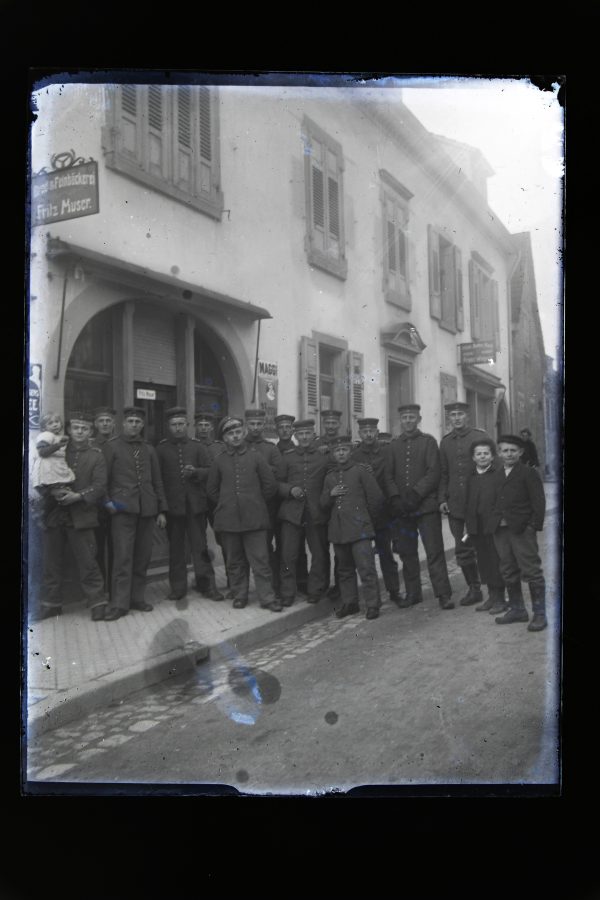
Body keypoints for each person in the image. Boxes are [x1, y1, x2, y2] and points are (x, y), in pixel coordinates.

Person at [34, 411, 109, 622]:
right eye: (76, 428)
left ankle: (97, 602)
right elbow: (42, 472)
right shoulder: (57, 450)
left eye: (84, 428)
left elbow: (100, 486)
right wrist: (52, 492)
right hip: (55, 514)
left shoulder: (96, 455)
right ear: (69, 430)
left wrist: (78, 496)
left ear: (90, 431)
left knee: (88, 562)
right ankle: (52, 605)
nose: (80, 432)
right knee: (51, 563)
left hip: (82, 515)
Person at [206, 416, 281, 612]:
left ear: (244, 432)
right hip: (229, 520)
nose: (235, 436)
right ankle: (240, 595)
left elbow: (270, 486)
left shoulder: (256, 457)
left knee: (261, 561)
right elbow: (212, 490)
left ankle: (267, 598)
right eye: (230, 434)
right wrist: (227, 503)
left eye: (238, 432)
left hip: (255, 519)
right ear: (225, 438)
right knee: (235, 561)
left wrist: (254, 502)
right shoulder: (219, 460)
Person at [385, 403, 453, 610]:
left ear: (419, 419)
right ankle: (413, 593)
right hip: (403, 510)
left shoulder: (428, 442)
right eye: (404, 417)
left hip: (425, 507)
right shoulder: (393, 446)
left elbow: (434, 472)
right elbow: (387, 476)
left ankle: (443, 594)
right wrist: (396, 498)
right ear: (400, 421)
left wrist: (416, 494)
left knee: (434, 551)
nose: (408, 421)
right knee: (407, 553)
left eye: (412, 417)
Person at [101, 407, 168, 620]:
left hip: (147, 510)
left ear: (142, 425)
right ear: (123, 423)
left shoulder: (149, 449)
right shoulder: (111, 447)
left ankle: (137, 598)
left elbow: (157, 480)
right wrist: (108, 503)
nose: (134, 425)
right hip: (122, 510)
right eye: (130, 421)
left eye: (138, 422)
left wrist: (161, 509)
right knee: (122, 558)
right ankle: (119, 604)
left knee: (142, 557)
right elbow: (104, 479)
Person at [156, 407, 223, 602]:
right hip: (173, 508)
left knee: (200, 548)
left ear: (187, 425)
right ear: (169, 427)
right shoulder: (161, 449)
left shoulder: (198, 447)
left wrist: (196, 472)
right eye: (173, 425)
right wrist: (162, 508)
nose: (177, 428)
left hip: (195, 507)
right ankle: (178, 588)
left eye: (181, 424)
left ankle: (207, 586)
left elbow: (211, 472)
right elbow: (158, 480)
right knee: (176, 550)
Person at [321, 435, 384, 619]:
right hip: (339, 531)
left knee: (366, 568)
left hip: (360, 530)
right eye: (337, 451)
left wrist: (366, 522)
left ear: (350, 451)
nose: (341, 453)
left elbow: (376, 499)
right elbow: (322, 504)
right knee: (344, 570)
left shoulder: (360, 471)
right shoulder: (330, 477)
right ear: (332, 454)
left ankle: (373, 604)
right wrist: (330, 494)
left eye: (344, 450)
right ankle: (350, 603)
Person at [489, 434, 547, 631]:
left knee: (531, 569)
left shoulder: (528, 473)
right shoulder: (496, 474)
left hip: (522, 529)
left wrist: (532, 526)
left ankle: (540, 613)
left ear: (521, 452)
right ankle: (518, 609)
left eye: (513, 450)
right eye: (505, 450)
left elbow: (538, 503)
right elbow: (493, 501)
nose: (509, 454)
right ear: (498, 453)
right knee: (507, 568)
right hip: (501, 530)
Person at [438, 401, 489, 607]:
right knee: (462, 548)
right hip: (456, 506)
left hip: (479, 503)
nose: (457, 418)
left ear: (467, 416)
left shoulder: (480, 437)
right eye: (453, 415)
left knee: (487, 545)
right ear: (449, 419)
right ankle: (474, 589)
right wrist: (442, 498)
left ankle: (497, 590)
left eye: (460, 414)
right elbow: (443, 473)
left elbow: (491, 468)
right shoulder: (446, 442)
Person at [277, 418, 332, 606]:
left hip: (316, 513)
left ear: (313, 434)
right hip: (292, 513)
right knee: (288, 554)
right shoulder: (287, 457)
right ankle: (287, 592)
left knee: (318, 554)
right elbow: (277, 483)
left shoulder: (323, 457)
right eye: (301, 434)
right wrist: (290, 490)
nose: (304, 437)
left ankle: (315, 590)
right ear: (296, 436)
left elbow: (330, 480)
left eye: (308, 433)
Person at [351, 417, 403, 606]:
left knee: (386, 554)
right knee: (365, 558)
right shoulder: (354, 456)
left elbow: (391, 478)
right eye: (364, 431)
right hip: (363, 513)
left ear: (377, 431)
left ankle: (394, 591)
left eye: (372, 431)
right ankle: (373, 599)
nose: (368, 434)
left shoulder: (387, 452)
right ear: (359, 434)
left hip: (383, 511)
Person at [464, 438, 508, 615]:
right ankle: (491, 596)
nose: (482, 457)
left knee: (496, 560)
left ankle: (500, 599)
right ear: (473, 458)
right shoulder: (472, 476)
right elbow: (469, 501)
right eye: (478, 454)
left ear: (492, 456)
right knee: (483, 561)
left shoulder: (498, 474)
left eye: (486, 453)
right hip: (477, 526)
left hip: (494, 526)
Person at [244, 408, 284, 594]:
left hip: (267, 506)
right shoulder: (239, 445)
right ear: (246, 425)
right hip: (244, 505)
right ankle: (241, 588)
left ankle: (272, 585)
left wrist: (259, 467)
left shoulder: (271, 448)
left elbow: (279, 472)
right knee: (242, 548)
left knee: (265, 547)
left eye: (259, 424)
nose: (255, 427)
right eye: (252, 424)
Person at [274, 413, 308, 594]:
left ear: (292, 430)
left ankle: (302, 582)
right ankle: (283, 585)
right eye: (281, 428)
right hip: (279, 506)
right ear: (277, 430)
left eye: (288, 427)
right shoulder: (273, 451)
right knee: (284, 547)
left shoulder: (300, 449)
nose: (285, 430)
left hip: (300, 507)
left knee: (299, 547)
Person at [90, 406, 117, 598]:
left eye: (108, 421)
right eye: (101, 421)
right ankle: (101, 591)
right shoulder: (91, 445)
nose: (105, 424)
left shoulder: (119, 444)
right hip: (96, 506)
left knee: (117, 549)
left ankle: (116, 590)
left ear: (114, 424)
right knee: (97, 549)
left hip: (117, 505)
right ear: (95, 424)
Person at [30, 411, 76, 499]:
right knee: (52, 486)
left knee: (60, 485)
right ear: (44, 428)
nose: (55, 425)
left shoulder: (57, 436)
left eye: (57, 422)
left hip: (57, 465)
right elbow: (42, 452)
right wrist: (58, 445)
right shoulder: (46, 435)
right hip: (48, 466)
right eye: (50, 423)